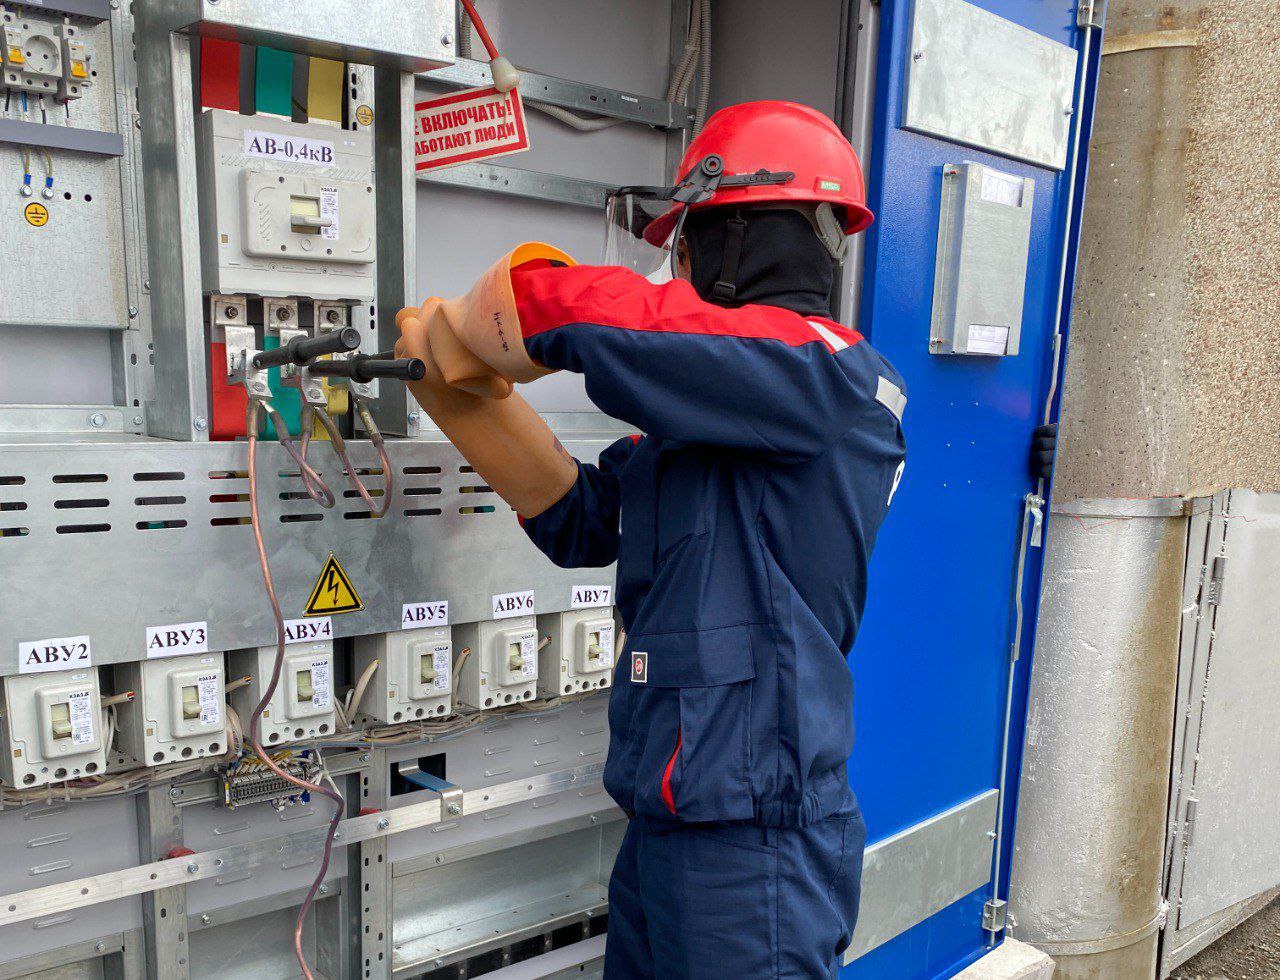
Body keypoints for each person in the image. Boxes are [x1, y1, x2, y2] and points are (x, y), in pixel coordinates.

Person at [396, 101, 907, 978]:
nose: (683, 265)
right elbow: (582, 520)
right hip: (672, 814)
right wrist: (464, 405)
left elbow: (639, 326)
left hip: (756, 846)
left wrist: (519, 301)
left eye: (692, 240)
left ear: (743, 234)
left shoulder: (828, 376)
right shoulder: (720, 421)